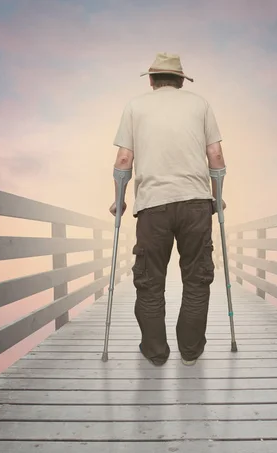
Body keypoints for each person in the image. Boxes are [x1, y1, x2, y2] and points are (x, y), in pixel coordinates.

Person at [109, 52, 227, 366]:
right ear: (180, 80)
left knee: (149, 281)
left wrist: (119, 200)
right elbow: (215, 155)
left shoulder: (135, 106)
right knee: (197, 278)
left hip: (152, 207)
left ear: (151, 79)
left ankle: (156, 352)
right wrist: (218, 197)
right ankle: (190, 351)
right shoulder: (200, 104)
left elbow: (123, 161)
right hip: (196, 204)